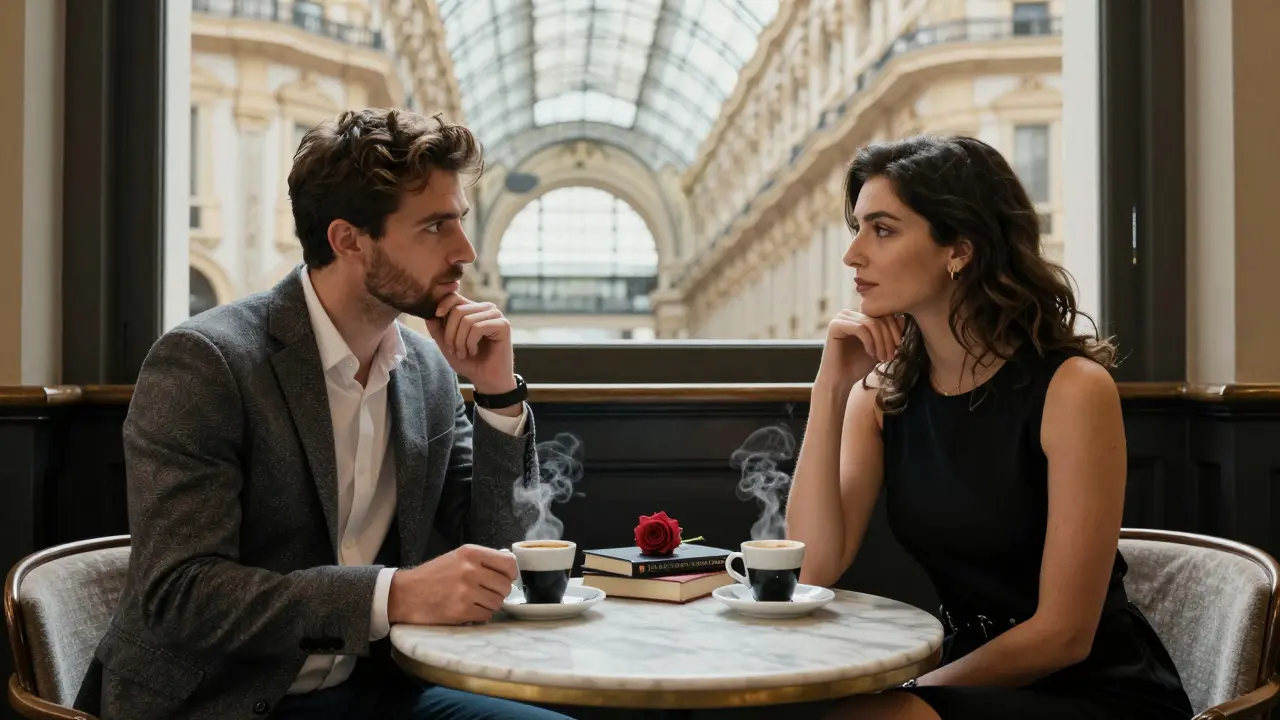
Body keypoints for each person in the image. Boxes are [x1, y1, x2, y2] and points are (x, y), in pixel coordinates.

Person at [75, 108, 576, 720]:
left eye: (461, 222)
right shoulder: (206, 363)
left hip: (380, 690)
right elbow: (180, 595)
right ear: (348, 240)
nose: (464, 251)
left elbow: (503, 547)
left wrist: (497, 394)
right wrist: (391, 595)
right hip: (224, 701)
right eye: (435, 227)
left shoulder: (426, 370)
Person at [783, 136, 1193, 719]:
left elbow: (1064, 636)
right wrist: (831, 388)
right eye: (857, 228)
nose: (852, 255)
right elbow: (811, 569)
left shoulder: (1072, 389)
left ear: (960, 249)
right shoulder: (882, 399)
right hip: (966, 675)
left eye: (882, 229)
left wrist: (912, 693)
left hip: (1093, 689)